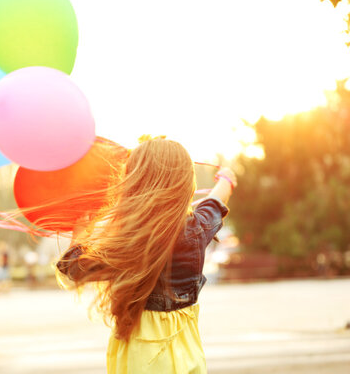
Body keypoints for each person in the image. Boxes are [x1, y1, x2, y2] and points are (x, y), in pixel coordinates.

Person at [56, 136, 237, 373]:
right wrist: (227, 178)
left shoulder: (128, 241)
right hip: (185, 354)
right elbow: (216, 201)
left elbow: (73, 266)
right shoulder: (197, 228)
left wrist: (81, 230)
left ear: (134, 182)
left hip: (138, 358)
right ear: (185, 183)